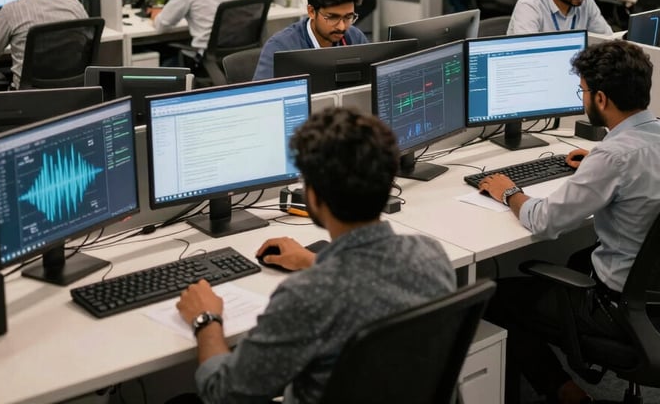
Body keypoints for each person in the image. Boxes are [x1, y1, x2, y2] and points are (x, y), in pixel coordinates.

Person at [175, 106, 456, 404]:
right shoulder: (431, 258)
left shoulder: (307, 296)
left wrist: (206, 320)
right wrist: (315, 261)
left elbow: (223, 394)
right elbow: (365, 286)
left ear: (313, 197)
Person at [480, 41, 660, 404]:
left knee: (493, 295)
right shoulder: (634, 146)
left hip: (616, 309)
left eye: (584, 91)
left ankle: (565, 392)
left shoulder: (613, 158)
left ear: (602, 99)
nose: (582, 99)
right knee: (577, 258)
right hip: (653, 301)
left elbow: (545, 221)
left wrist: (508, 191)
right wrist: (596, 162)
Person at [254, 0, 367, 80]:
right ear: (311, 12)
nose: (342, 27)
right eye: (332, 17)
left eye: (348, 17)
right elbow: (260, 95)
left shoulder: (355, 38)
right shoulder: (281, 47)